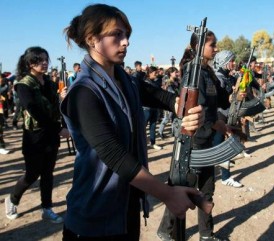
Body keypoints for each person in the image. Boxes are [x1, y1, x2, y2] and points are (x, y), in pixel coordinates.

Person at [61, 4, 205, 241]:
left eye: (126, 34)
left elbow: (159, 96)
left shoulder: (123, 79)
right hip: (93, 214)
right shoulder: (83, 92)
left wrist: (185, 108)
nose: (126, 41)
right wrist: (167, 194)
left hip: (126, 205)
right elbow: (113, 154)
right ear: (92, 39)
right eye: (117, 34)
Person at [157, 28, 230, 241]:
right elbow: (197, 107)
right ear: (197, 47)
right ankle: (166, 230)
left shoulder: (207, 72)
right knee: (184, 188)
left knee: (207, 189)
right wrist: (217, 124)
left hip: (207, 139)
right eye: (212, 45)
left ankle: (206, 235)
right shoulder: (193, 71)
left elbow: (222, 101)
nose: (216, 49)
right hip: (193, 140)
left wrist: (235, 86)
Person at [4, 46, 69, 222]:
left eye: (46, 59)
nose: (45, 63)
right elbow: (34, 111)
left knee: (48, 173)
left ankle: (46, 208)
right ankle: (12, 199)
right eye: (39, 60)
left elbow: (55, 108)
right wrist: (59, 129)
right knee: (32, 174)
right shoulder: (23, 84)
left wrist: (62, 97)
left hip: (51, 135)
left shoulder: (49, 82)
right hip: (34, 137)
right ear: (30, 63)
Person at [212, 50, 243, 188]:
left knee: (224, 147)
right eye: (231, 60)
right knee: (220, 147)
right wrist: (233, 95)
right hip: (220, 116)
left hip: (226, 115)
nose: (234, 63)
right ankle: (222, 177)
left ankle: (224, 176)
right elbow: (218, 100)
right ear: (224, 62)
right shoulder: (219, 77)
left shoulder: (226, 76)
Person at [143, 66, 163, 150]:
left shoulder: (155, 82)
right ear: (150, 73)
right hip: (146, 109)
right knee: (142, 126)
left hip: (155, 108)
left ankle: (153, 143)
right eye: (155, 73)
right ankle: (141, 143)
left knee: (153, 126)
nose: (156, 74)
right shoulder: (144, 82)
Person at [158, 66, 180, 139]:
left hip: (176, 102)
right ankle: (160, 132)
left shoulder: (176, 81)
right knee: (167, 118)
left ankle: (174, 132)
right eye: (175, 72)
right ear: (171, 73)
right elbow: (171, 92)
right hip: (169, 103)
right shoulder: (169, 82)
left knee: (175, 118)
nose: (177, 73)